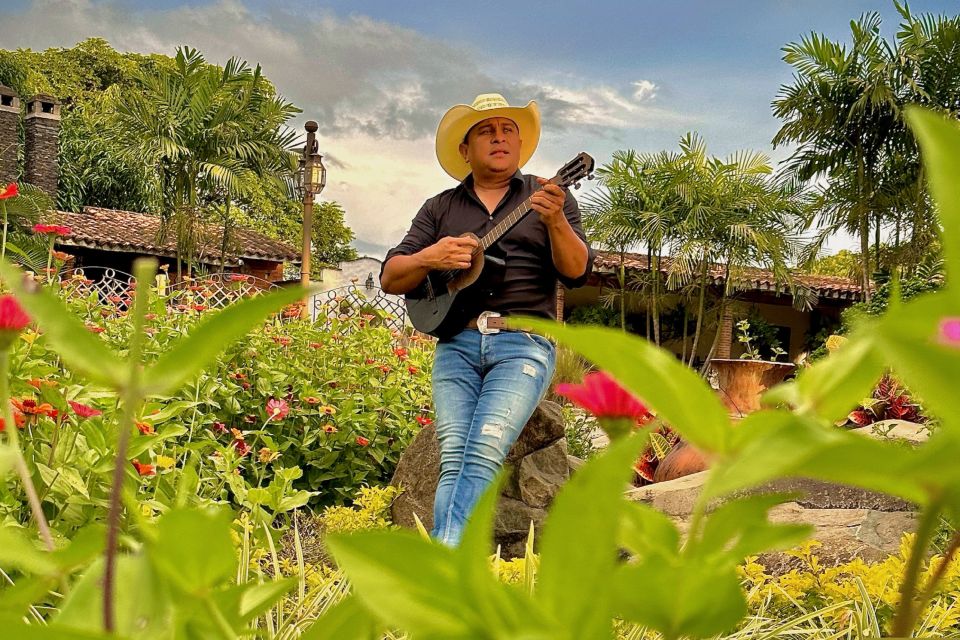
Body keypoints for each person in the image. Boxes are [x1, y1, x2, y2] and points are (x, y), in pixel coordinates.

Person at [380, 93, 594, 546]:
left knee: (482, 451)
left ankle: (445, 561)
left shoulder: (548, 197)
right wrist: (432, 255)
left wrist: (556, 222)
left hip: (523, 344)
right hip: (455, 342)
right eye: (485, 131)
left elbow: (577, 271)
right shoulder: (439, 208)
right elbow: (392, 277)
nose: (499, 137)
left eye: (507, 130)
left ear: (520, 144)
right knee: (454, 457)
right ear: (465, 149)